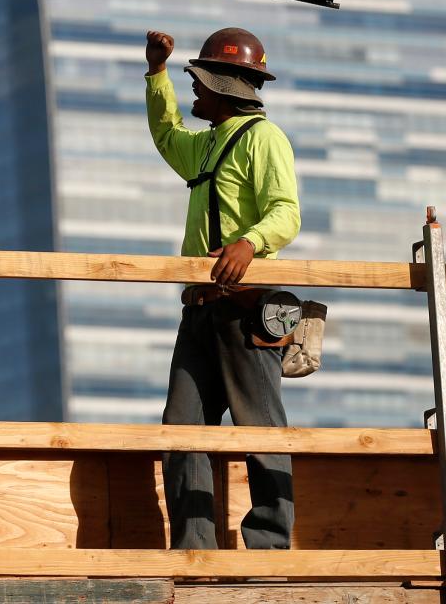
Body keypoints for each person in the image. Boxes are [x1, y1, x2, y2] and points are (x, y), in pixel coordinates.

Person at [144, 27, 301, 549]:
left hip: (246, 307)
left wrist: (249, 244)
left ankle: (270, 546)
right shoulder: (208, 145)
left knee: (260, 426)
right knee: (182, 426)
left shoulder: (264, 138)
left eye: (199, 81)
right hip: (200, 309)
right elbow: (168, 136)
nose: (195, 91)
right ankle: (194, 548)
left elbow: (286, 212)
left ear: (224, 86)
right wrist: (156, 75)